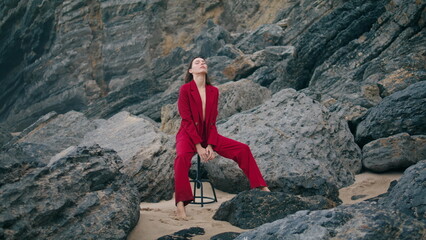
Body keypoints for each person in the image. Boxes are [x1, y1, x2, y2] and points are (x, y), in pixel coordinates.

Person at [174, 57, 270, 219]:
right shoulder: (185, 89)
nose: (202, 63)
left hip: (208, 134)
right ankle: (180, 205)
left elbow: (212, 121)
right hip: (188, 134)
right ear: (190, 71)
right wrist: (199, 147)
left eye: (203, 62)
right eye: (197, 62)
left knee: (242, 149)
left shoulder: (213, 91)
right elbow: (187, 119)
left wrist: (210, 145)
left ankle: (261, 186)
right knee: (182, 157)